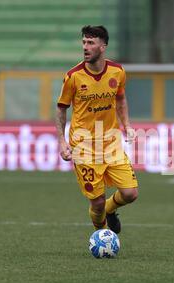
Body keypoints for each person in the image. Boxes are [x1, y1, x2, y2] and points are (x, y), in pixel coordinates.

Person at [55, 25, 138, 234]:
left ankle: (111, 210)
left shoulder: (117, 72)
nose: (85, 47)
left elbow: (120, 98)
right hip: (83, 147)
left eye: (90, 43)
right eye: (83, 42)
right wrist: (62, 142)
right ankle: (102, 234)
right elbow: (61, 109)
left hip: (111, 142)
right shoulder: (73, 77)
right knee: (97, 202)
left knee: (130, 193)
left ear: (103, 46)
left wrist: (127, 125)